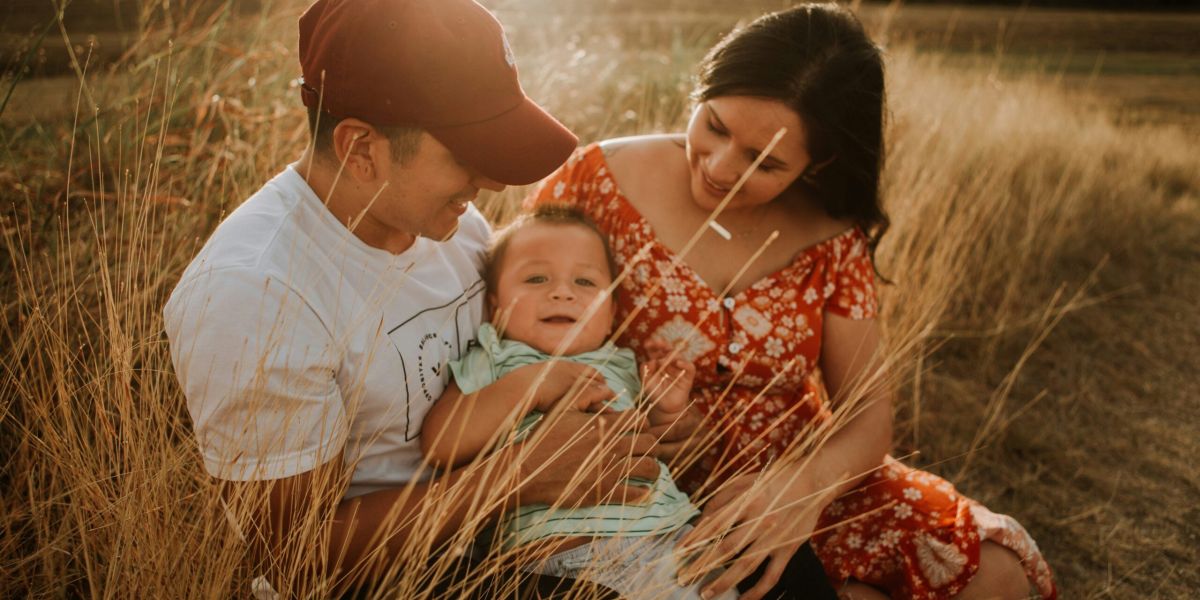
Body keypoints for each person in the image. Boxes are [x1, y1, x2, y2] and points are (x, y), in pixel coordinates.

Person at [526, 4, 1059, 600]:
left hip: (799, 478)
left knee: (992, 573)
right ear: (702, 90)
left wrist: (799, 488)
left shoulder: (831, 232)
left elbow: (866, 415)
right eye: (716, 125)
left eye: (765, 161)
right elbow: (512, 324)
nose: (721, 168)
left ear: (820, 161)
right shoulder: (597, 180)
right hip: (636, 480)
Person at [162, 0, 657, 596]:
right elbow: (293, 553)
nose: (494, 183)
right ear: (359, 148)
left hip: (512, 530)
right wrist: (516, 477)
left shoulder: (449, 221)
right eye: (465, 155)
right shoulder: (253, 295)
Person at [419, 205, 736, 600]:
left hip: (673, 541)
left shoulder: (620, 362)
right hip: (568, 559)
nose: (562, 291)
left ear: (611, 314)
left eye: (585, 282)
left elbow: (656, 449)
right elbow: (441, 443)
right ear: (496, 306)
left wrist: (667, 407)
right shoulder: (496, 359)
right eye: (536, 278)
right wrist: (531, 384)